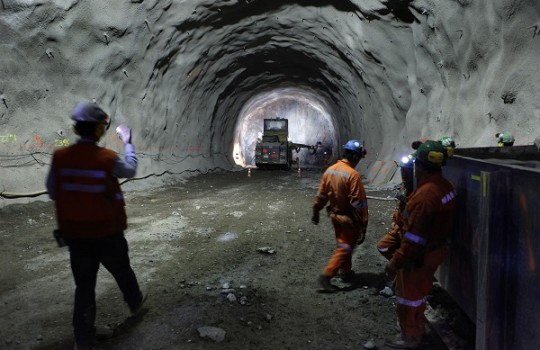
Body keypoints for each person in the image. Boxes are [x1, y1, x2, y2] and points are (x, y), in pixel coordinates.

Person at [46, 102, 147, 350]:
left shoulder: (60, 157)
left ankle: (83, 339)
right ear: (99, 130)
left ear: (78, 128)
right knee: (122, 270)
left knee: (84, 286)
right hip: (107, 233)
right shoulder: (107, 158)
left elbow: (52, 191)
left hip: (75, 236)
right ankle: (135, 304)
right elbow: (131, 170)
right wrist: (128, 142)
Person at [383, 140, 457, 349]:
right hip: (436, 250)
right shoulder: (445, 186)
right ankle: (417, 327)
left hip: (420, 256)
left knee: (408, 297)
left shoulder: (424, 197)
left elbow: (414, 241)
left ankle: (411, 338)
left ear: (420, 165)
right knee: (419, 293)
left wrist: (394, 263)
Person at [311, 139, 369, 292]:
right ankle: (327, 275)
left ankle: (346, 272)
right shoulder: (353, 175)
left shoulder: (330, 170)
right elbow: (359, 203)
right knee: (345, 247)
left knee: (343, 244)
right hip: (348, 219)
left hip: (335, 216)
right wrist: (363, 224)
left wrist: (316, 211)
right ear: (355, 157)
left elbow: (321, 196)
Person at [376, 150, 414, 297]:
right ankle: (401, 269)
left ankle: (395, 284)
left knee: (403, 258)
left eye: (406, 170)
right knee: (383, 246)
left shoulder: (418, 188)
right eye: (403, 170)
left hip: (408, 230)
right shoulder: (406, 185)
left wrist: (406, 200)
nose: (403, 173)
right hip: (399, 227)